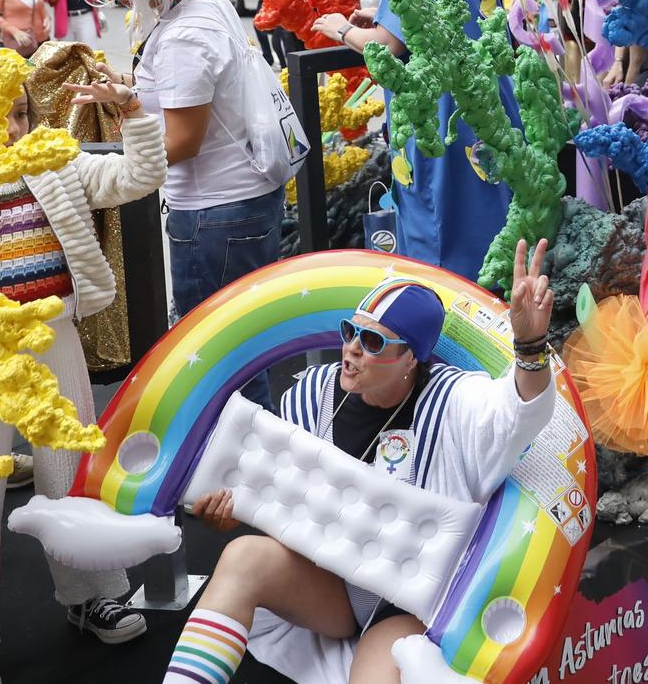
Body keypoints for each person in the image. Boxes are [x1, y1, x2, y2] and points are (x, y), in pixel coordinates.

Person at [163, 247, 558, 684]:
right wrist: (230, 515)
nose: (351, 349)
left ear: (411, 358)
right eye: (351, 331)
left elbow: (520, 409)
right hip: (331, 584)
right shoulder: (314, 394)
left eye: (372, 343)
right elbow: (280, 501)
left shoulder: (453, 402)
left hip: (406, 605)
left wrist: (529, 345)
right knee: (242, 557)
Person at [0, 64, 163, 684]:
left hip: (55, 333)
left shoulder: (56, 162)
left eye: (19, 114)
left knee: (69, 474)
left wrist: (133, 113)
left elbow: (139, 176)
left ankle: (92, 595)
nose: (9, 128)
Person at [46, 0, 299, 407]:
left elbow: (183, 141)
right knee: (239, 350)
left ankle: (239, 469)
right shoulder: (201, 5)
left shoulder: (185, 35)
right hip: (237, 203)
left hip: (215, 216)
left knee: (221, 361)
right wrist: (130, 95)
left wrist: (120, 156)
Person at [312, 0, 522, 283]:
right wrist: (385, 18)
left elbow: (387, 46)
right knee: (487, 224)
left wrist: (341, 29)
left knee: (439, 238)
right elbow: (453, 19)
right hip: (484, 110)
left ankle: (443, 336)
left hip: (437, 118)